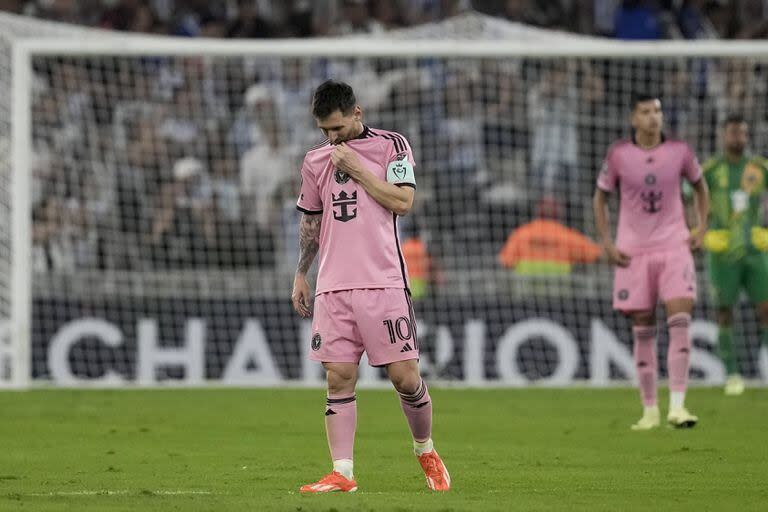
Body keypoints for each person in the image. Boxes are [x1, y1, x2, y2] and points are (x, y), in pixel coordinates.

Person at [292, 80, 450, 493]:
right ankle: (342, 473)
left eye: (338, 128)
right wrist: (301, 273)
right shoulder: (314, 161)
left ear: (357, 114)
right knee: (338, 377)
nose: (331, 138)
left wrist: (358, 170)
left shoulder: (392, 146)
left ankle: (425, 449)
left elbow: (402, 202)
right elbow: (310, 221)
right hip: (333, 286)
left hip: (383, 283)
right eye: (325, 130)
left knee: (404, 378)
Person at [593, 92, 709, 430]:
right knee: (643, 330)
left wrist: (701, 227)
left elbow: (701, 189)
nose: (652, 117)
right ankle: (649, 411)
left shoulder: (680, 152)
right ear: (633, 118)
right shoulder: (618, 155)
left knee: (680, 320)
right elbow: (599, 199)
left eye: (656, 111)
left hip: (675, 246)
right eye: (645, 112)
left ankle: (678, 406)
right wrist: (607, 242)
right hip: (633, 251)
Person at [700, 114, 768, 395]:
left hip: (754, 251)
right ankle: (732, 375)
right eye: (733, 132)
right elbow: (687, 197)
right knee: (724, 312)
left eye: (742, 132)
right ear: (722, 135)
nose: (738, 137)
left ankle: (761, 365)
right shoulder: (711, 170)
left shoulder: (759, 167)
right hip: (722, 252)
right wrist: (700, 230)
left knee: (766, 310)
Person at [498, 197, 602, 275]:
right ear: (560, 214)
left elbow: (505, 261)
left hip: (524, 298)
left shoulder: (521, 234)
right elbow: (596, 255)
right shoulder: (568, 236)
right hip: (560, 298)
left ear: (537, 212)